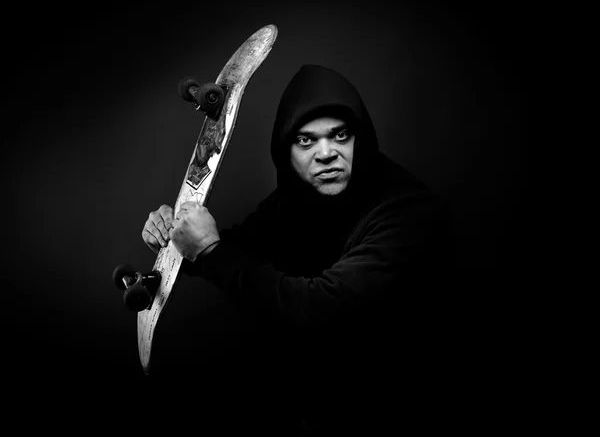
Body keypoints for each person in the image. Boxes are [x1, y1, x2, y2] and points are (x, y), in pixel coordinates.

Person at [142, 65, 456, 434]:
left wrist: (208, 251)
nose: (326, 154)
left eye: (340, 135)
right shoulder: (296, 198)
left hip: (402, 416)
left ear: (362, 140)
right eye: (306, 141)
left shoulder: (408, 213)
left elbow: (319, 307)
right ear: (285, 151)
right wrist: (177, 240)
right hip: (317, 409)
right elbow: (240, 248)